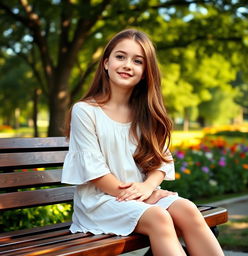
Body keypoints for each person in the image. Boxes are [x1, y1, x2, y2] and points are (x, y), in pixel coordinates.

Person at [62, 28, 224, 256]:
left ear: (145, 72)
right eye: (120, 57)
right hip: (100, 202)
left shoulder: (147, 113)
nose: (128, 64)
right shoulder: (85, 111)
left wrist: (148, 188)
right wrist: (145, 195)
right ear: (106, 63)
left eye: (137, 61)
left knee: (187, 209)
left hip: (140, 195)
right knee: (159, 217)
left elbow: (161, 162)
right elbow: (94, 171)